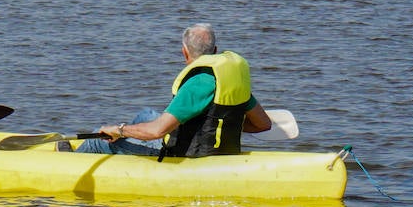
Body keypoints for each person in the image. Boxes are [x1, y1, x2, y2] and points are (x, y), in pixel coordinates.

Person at [76, 23, 271, 157]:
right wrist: (222, 124)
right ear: (215, 49)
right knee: (147, 114)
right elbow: (263, 124)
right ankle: (126, 152)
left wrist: (119, 131)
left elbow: (157, 131)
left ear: (184, 51)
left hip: (183, 154)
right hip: (221, 147)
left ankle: (71, 161)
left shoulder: (197, 84)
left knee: (97, 138)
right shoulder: (229, 80)